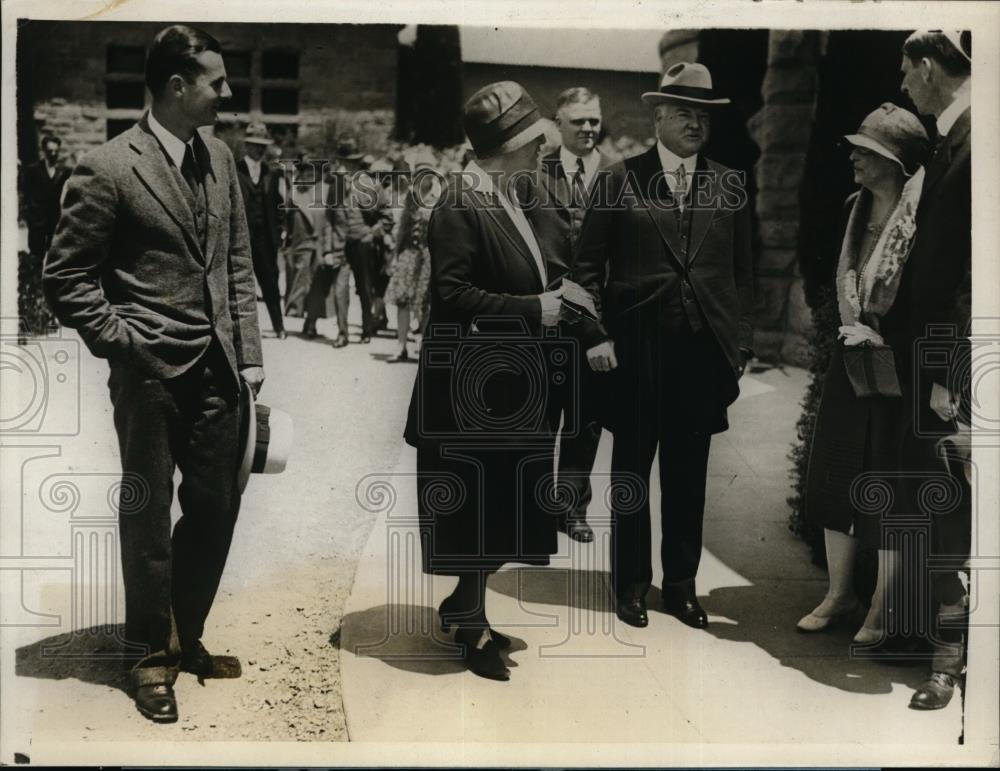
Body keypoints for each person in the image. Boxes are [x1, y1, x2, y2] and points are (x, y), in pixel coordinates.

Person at [42, 24, 264, 723]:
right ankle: (147, 657)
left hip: (218, 369)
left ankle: (182, 631)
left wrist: (249, 355)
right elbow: (65, 276)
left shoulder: (222, 158)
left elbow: (235, 261)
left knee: (217, 505)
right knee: (146, 516)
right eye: (216, 83)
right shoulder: (107, 167)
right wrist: (121, 342)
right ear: (177, 86)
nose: (227, 93)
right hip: (146, 374)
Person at [572, 63, 754, 629]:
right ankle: (629, 585)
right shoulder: (618, 179)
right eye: (684, 113)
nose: (696, 123)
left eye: (703, 115)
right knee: (631, 473)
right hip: (635, 351)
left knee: (687, 476)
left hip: (700, 355)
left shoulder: (729, 184)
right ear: (658, 119)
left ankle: (680, 585)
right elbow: (584, 270)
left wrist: (740, 344)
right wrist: (595, 334)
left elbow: (744, 275)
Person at [403, 81, 564, 681]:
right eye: (534, 144)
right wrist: (534, 311)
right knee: (477, 512)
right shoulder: (459, 202)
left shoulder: (506, 194)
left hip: (505, 383)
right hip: (470, 387)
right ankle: (470, 624)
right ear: (513, 146)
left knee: (503, 507)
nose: (542, 153)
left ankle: (464, 605)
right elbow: (452, 293)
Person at [797, 105, 929, 646]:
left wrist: (887, 338)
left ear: (891, 161)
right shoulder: (854, 206)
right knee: (835, 476)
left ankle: (880, 605)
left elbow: (930, 299)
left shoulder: (923, 217)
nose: (851, 157)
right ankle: (840, 593)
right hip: (851, 362)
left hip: (896, 370)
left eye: (863, 151)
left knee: (888, 485)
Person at [894, 29, 972, 711]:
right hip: (941, 360)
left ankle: (949, 662)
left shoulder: (977, 138)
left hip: (957, 369)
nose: (902, 87)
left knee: (951, 504)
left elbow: (971, 276)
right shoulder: (955, 135)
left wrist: (947, 372)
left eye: (905, 72)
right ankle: (947, 647)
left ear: (927, 67)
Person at [527, 86, 610, 544]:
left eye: (593, 120)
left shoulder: (617, 177)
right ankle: (539, 509)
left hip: (595, 322)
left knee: (586, 420)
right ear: (558, 123)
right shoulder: (535, 176)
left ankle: (573, 509)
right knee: (540, 418)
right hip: (548, 316)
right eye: (577, 120)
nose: (587, 128)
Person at [284, 161, 346, 343]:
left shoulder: (326, 191)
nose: (308, 177)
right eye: (304, 173)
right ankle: (300, 314)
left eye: (312, 173)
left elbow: (332, 219)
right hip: (300, 243)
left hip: (320, 243)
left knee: (318, 285)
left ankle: (311, 321)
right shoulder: (294, 194)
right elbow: (286, 219)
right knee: (301, 281)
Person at [384, 162, 440, 362]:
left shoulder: (438, 198)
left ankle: (425, 346)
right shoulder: (411, 198)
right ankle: (401, 346)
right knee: (402, 300)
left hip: (428, 255)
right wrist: (395, 256)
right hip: (409, 254)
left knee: (425, 303)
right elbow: (402, 228)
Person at [236, 122, 286, 339]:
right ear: (247, 145)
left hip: (266, 238)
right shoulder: (235, 170)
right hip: (241, 238)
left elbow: (279, 204)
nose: (259, 149)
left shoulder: (272, 173)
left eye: (263, 146)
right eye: (255, 145)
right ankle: (241, 331)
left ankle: (279, 327)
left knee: (270, 283)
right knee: (240, 285)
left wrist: (281, 229)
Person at [24, 133, 71, 258]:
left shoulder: (64, 171)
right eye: (50, 151)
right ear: (44, 150)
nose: (53, 154)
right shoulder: (33, 170)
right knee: (36, 252)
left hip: (55, 219)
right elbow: (27, 192)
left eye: (56, 151)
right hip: (37, 218)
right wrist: (31, 214)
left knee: (54, 253)